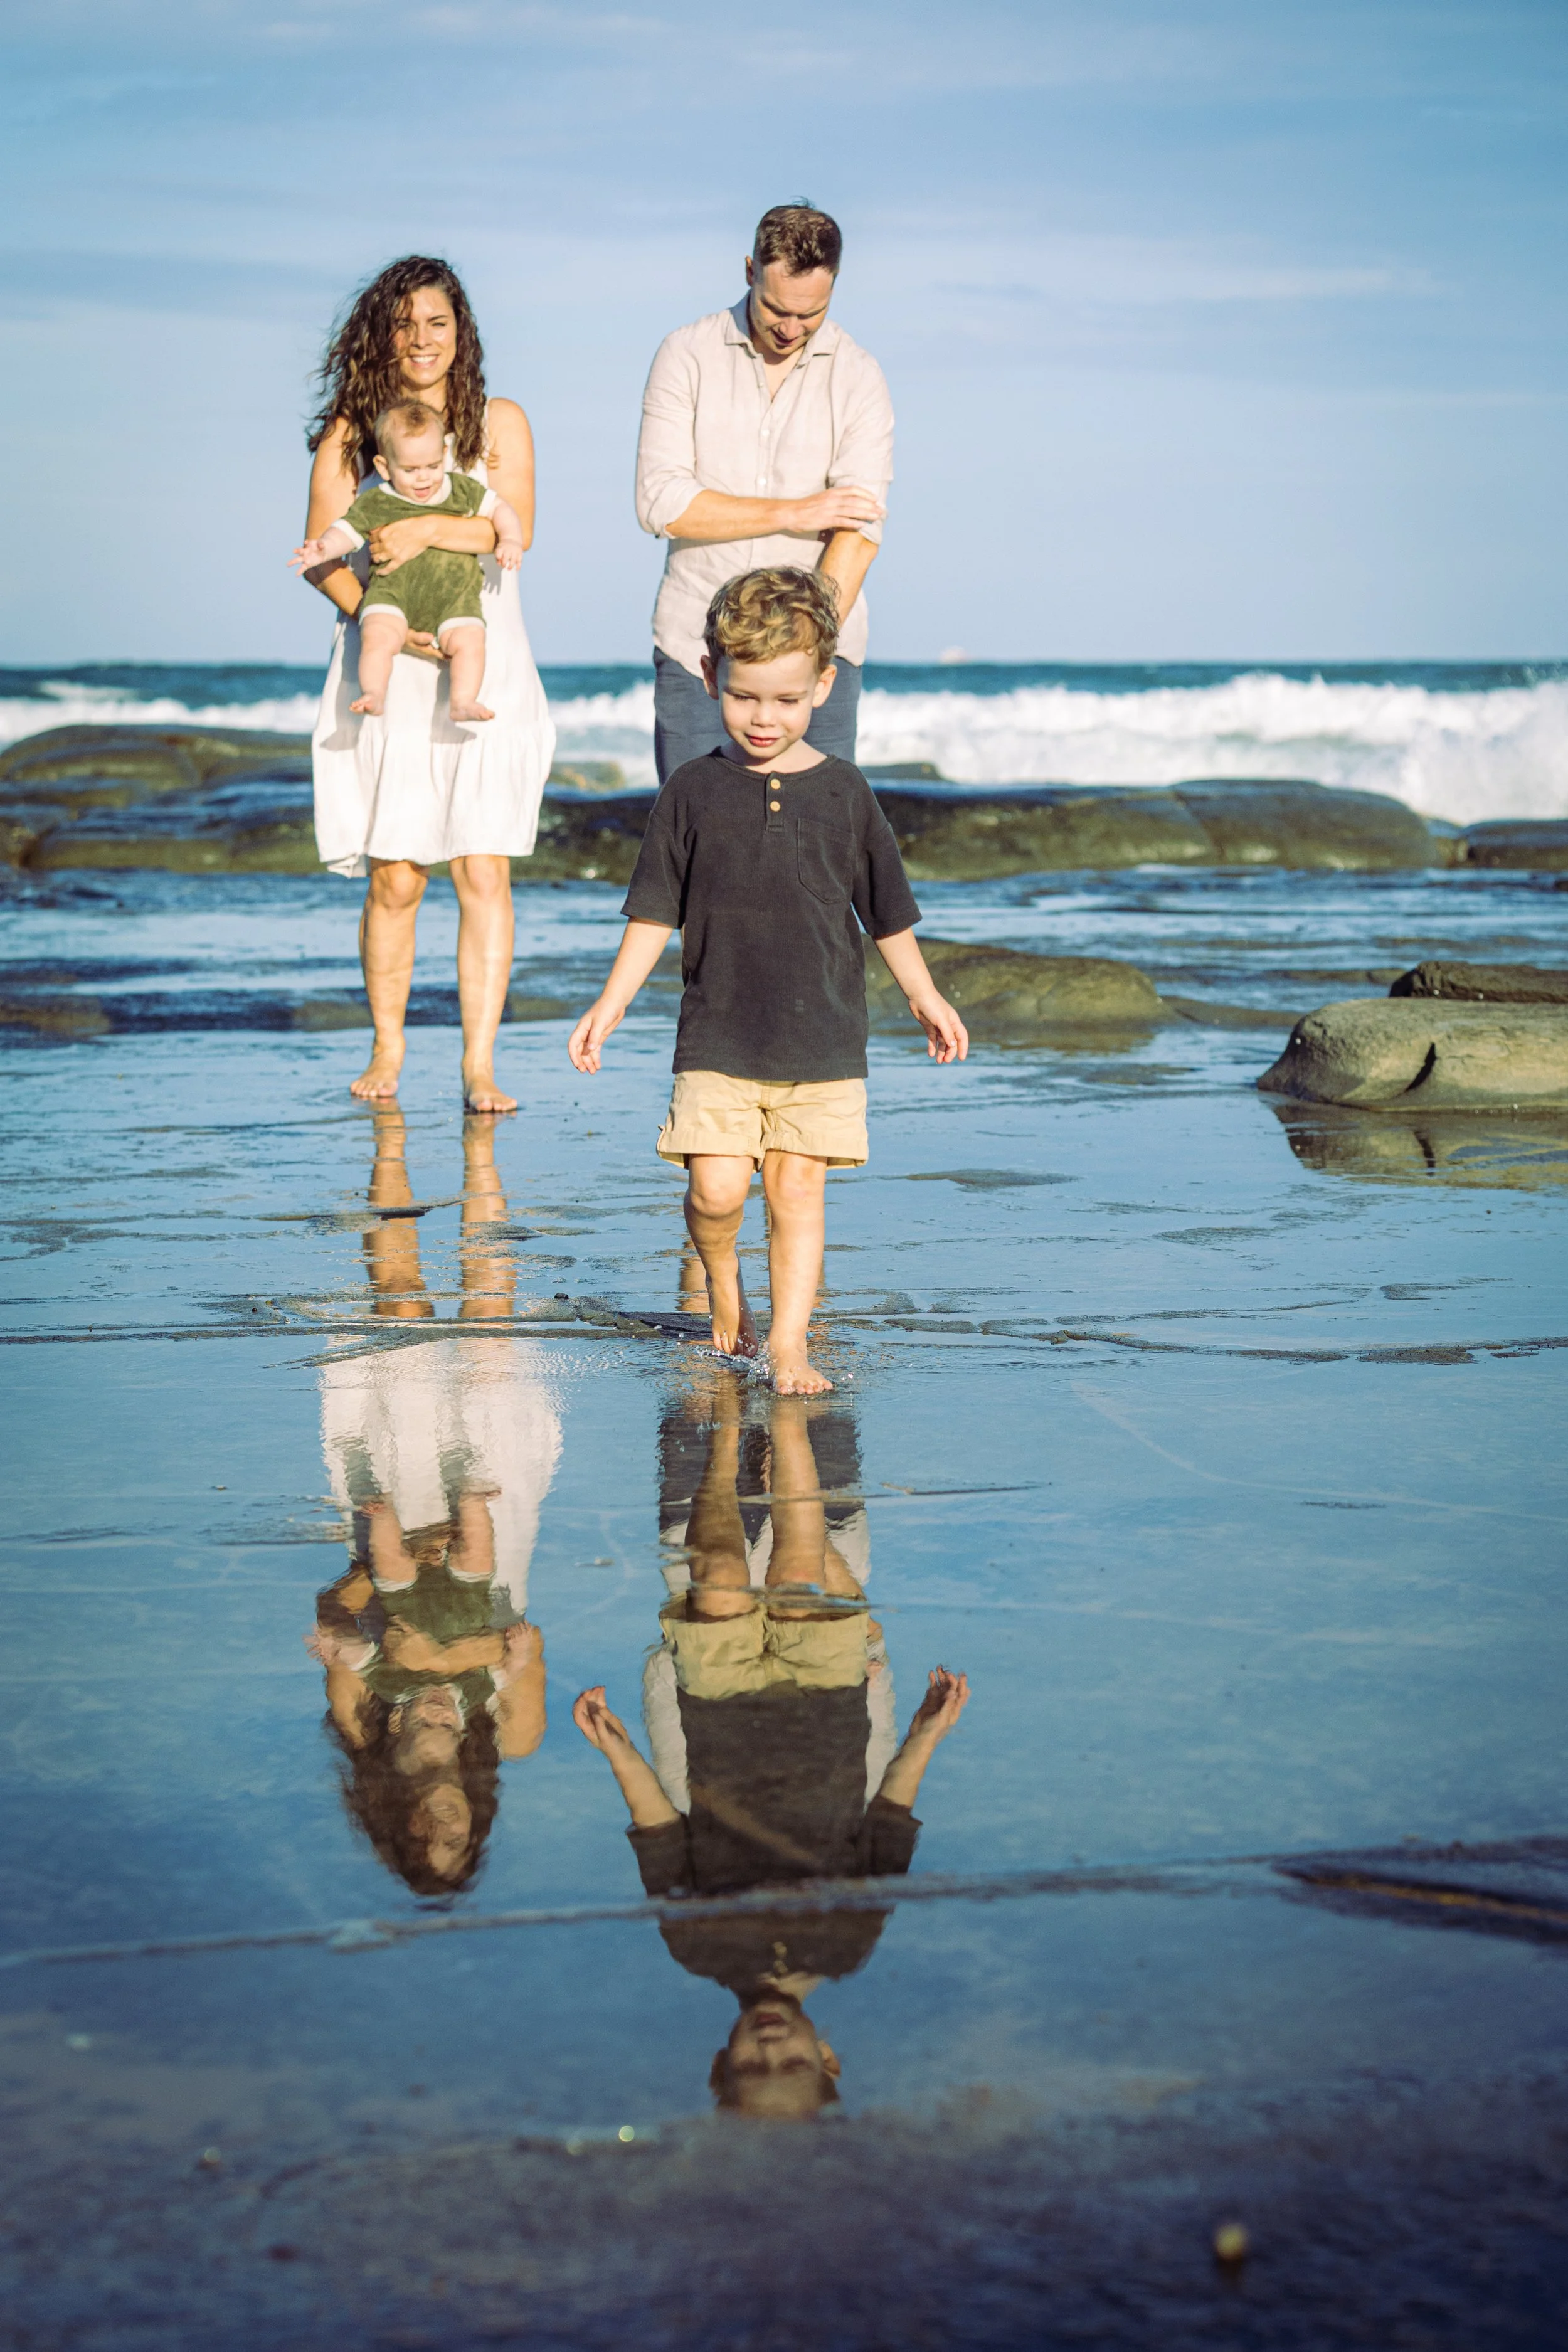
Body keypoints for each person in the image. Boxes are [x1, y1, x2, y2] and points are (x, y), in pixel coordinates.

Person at [568, 567, 968, 1394]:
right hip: (718, 1030)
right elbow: (652, 912)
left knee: (795, 1191)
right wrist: (610, 1004)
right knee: (715, 1192)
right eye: (747, 696)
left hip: (820, 1035)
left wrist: (926, 997)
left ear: (824, 684)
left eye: (787, 700)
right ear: (712, 676)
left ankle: (787, 1343)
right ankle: (722, 1284)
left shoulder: (847, 793)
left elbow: (886, 912)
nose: (764, 718)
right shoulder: (691, 791)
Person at [572, 1377, 970, 2121]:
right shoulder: (850, 1943)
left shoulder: (698, 1950)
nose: (770, 2046)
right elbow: (888, 1820)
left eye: (754, 2066)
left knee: (719, 1576)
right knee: (799, 1563)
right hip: (825, 1709)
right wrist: (925, 1734)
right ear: (827, 2058)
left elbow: (660, 1833)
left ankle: (726, 1435)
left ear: (722, 2062)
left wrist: (619, 1751)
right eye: (792, 2063)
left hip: (720, 1716)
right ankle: (785, 1420)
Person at [301, 255, 556, 1113]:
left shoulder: (501, 423)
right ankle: (388, 1044)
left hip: (482, 655)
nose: (421, 338)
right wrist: (392, 625)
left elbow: (504, 531)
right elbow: (321, 557)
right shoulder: (352, 432)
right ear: (384, 331)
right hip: (391, 660)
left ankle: (480, 1063)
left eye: (437, 322)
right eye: (405, 322)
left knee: (484, 867)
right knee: (398, 874)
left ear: (462, 332)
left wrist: (419, 537)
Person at [305, 1105, 562, 1895]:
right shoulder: (512, 1737)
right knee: (490, 1325)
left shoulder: (361, 1725)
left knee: (402, 1312)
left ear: (393, 1826)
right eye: (457, 1842)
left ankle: (389, 1145)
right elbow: (527, 1637)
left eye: (421, 1844)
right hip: (495, 1546)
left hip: (391, 1539)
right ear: (476, 1825)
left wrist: (404, 1555)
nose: (439, 1829)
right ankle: (483, 1150)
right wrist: (452, 1658)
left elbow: (331, 1614)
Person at [636, 201, 893, 784]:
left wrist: (798, 651)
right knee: (698, 850)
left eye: (812, 313)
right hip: (696, 651)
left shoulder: (860, 376)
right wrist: (798, 511)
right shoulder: (686, 354)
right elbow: (661, 503)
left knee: (816, 858)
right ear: (750, 270)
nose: (791, 327)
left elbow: (857, 535)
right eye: (777, 308)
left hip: (819, 660)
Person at [292, 399, 525, 723]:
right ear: (385, 467)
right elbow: (345, 531)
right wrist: (323, 548)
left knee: (471, 641)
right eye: (411, 470)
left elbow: (502, 509)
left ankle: (463, 700)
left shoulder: (460, 490)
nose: (424, 479)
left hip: (455, 600)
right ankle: (374, 692)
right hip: (392, 596)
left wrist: (511, 539)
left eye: (432, 467)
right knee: (377, 636)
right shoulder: (377, 500)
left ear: (444, 455)